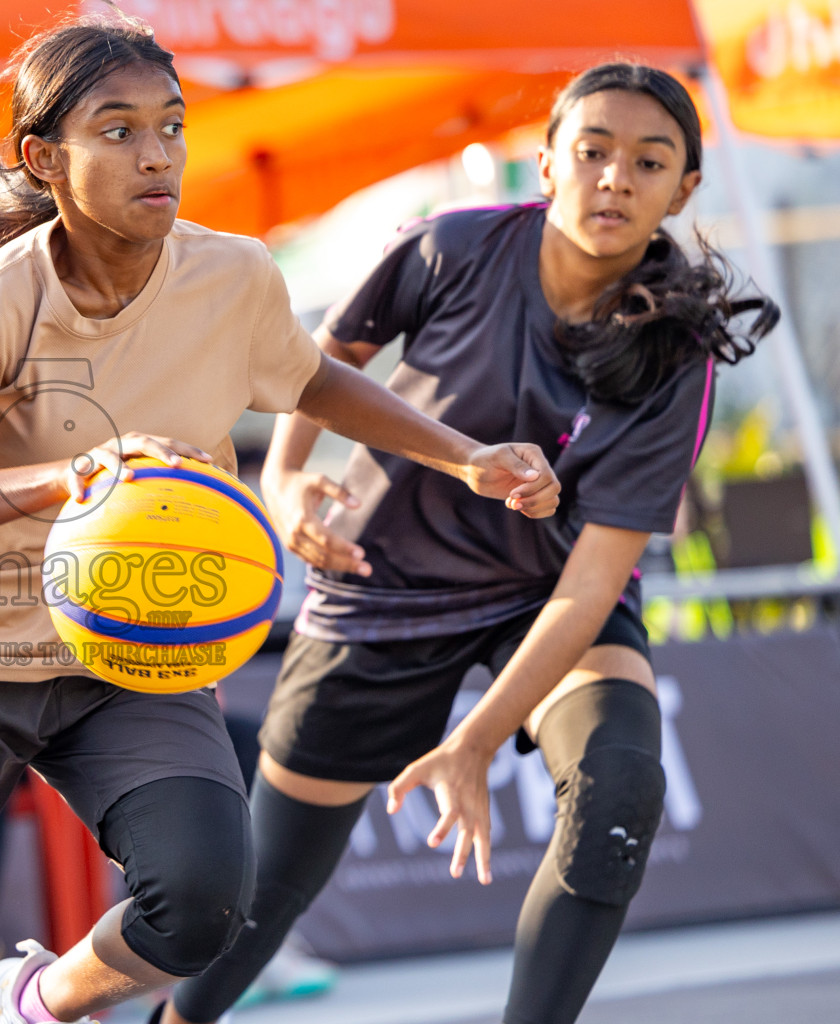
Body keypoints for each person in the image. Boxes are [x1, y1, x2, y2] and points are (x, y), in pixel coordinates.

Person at [0, 14, 560, 1024]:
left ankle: (36, 999)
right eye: (119, 130)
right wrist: (64, 479)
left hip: (130, 646)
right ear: (46, 157)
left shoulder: (235, 277)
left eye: (171, 125)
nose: (158, 152)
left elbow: (310, 380)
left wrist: (470, 455)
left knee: (207, 902)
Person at [163, 63, 777, 1024]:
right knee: (264, 891)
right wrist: (282, 479)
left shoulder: (676, 351)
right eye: (593, 152)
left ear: (683, 189)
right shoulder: (452, 245)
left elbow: (591, 585)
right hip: (384, 583)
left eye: (648, 162)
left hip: (546, 594)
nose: (615, 178)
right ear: (547, 163)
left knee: (619, 786)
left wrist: (476, 740)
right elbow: (322, 358)